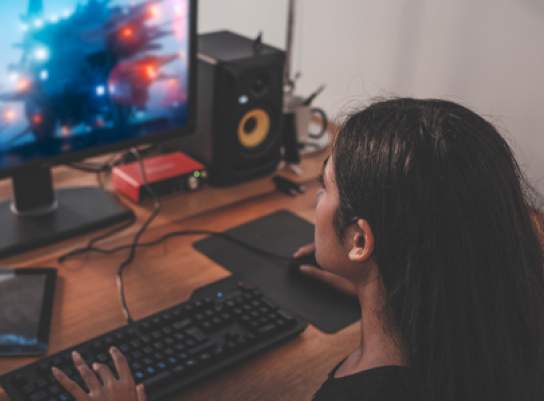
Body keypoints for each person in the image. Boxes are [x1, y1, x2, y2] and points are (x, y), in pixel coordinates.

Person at [51, 98, 544, 401]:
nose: (315, 198)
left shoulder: (365, 393)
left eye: (325, 187)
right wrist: (378, 289)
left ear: (359, 241)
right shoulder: (510, 326)